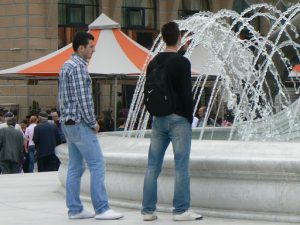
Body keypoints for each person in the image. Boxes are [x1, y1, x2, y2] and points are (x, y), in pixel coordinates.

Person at [58, 31, 123, 220]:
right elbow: (83, 99)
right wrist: (93, 122)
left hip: (68, 123)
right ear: (81, 48)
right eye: (91, 46)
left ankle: (75, 209)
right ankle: (102, 208)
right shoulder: (78, 67)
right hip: (79, 123)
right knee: (97, 164)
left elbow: (63, 99)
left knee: (75, 167)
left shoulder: (66, 66)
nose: (94, 50)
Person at [142, 21, 202, 221]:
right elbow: (187, 94)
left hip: (158, 118)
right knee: (181, 166)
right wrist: (188, 117)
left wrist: (154, 113)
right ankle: (180, 211)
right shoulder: (182, 62)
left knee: (152, 166)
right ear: (179, 38)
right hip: (178, 119)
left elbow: (146, 92)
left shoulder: (153, 62)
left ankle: (148, 211)